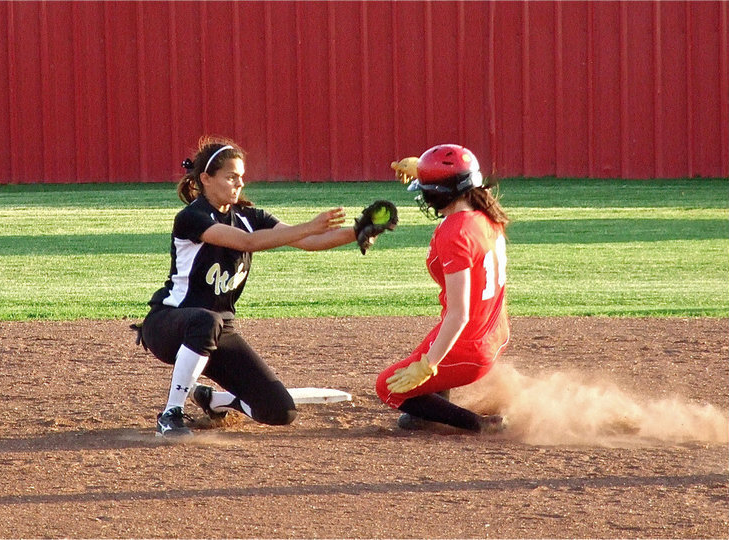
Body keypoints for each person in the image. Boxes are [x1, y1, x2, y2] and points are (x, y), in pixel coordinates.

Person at [137, 135, 395, 437]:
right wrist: (309, 225)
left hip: (219, 330)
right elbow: (249, 243)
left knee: (279, 410)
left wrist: (357, 230)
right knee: (207, 320)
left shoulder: (250, 217)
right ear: (205, 179)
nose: (239, 184)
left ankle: (213, 400)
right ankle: (171, 414)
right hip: (169, 324)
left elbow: (310, 242)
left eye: (242, 177)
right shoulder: (191, 217)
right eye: (231, 177)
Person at [375, 144, 510, 434]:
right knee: (433, 344)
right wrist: (425, 170)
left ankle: (478, 425)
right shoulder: (486, 214)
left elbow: (459, 315)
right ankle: (430, 409)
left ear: (440, 194)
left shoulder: (455, 232)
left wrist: (429, 365)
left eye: (425, 186)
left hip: (469, 343)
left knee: (387, 387)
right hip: (492, 331)